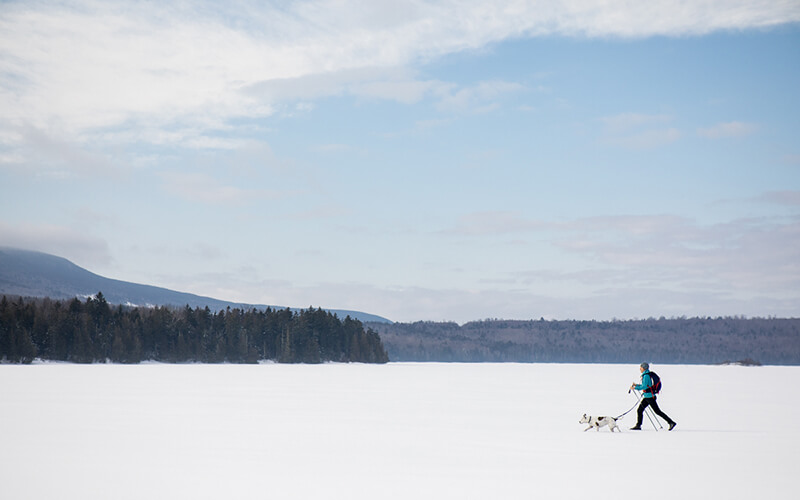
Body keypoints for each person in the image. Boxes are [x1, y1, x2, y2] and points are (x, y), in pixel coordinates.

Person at [629, 362, 677, 431]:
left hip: (650, 397)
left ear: (644, 368)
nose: (640, 369)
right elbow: (646, 385)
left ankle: (671, 422)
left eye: (641, 367)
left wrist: (635, 388)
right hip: (647, 397)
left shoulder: (646, 376)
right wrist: (636, 385)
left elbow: (644, 386)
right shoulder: (646, 375)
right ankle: (638, 425)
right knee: (640, 410)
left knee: (657, 411)